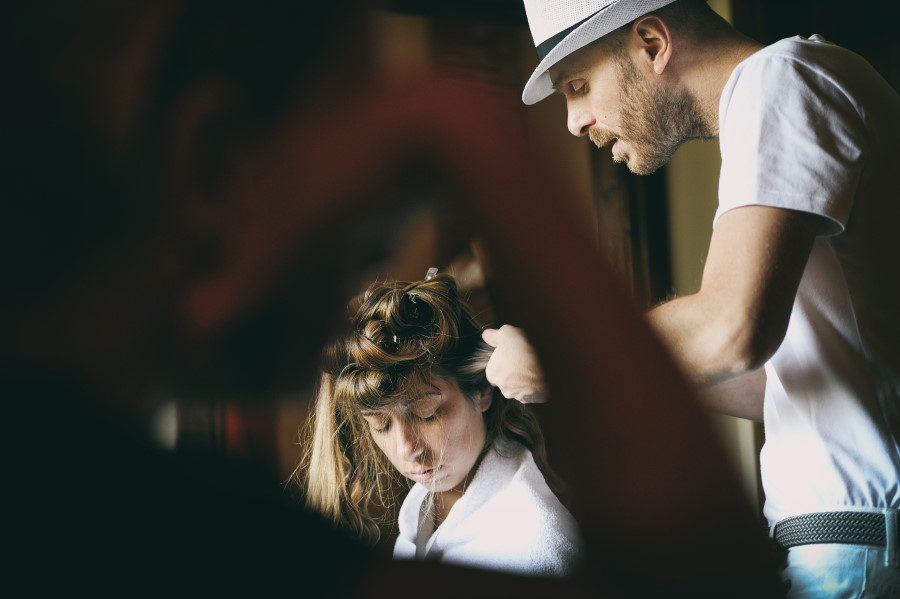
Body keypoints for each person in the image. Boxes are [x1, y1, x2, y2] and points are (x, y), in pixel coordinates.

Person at [2, 0, 786, 595]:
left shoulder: (85, 497)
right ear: (210, 167)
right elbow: (705, 573)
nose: (361, 280)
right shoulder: (130, 523)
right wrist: (463, 124)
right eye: (366, 227)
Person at [484, 0, 900, 595]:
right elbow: (770, 380)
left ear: (652, 43)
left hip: (856, 554)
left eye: (578, 85)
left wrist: (563, 357)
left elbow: (731, 330)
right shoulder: (799, 88)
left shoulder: (780, 79)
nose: (573, 122)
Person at [297, 271, 582, 578]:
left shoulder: (535, 546)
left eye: (427, 414)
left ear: (481, 390)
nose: (406, 450)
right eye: (381, 425)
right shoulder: (422, 513)